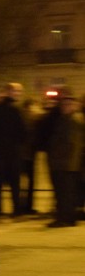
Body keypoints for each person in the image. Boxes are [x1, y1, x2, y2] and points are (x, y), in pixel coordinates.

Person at [0, 82, 27, 217]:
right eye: (16, 92)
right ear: (9, 93)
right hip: (13, 152)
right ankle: (16, 209)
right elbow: (23, 132)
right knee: (15, 183)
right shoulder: (16, 110)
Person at [45, 90, 83, 228]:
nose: (64, 107)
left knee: (64, 193)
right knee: (66, 193)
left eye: (68, 104)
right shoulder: (70, 119)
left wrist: (58, 158)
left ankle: (65, 218)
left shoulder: (72, 120)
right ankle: (68, 217)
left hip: (65, 164)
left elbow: (71, 143)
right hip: (67, 163)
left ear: (73, 105)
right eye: (63, 104)